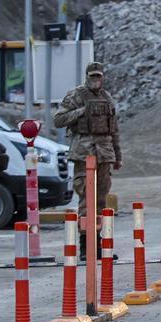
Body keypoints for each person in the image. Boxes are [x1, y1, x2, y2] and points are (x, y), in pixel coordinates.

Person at [54, 62, 121, 259]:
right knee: (86, 200)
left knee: (100, 199)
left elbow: (114, 129)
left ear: (103, 77)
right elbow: (58, 119)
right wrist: (81, 111)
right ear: (86, 77)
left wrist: (118, 156)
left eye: (98, 76)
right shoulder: (76, 95)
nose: (95, 80)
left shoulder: (107, 98)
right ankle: (86, 247)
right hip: (84, 153)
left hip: (105, 153)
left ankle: (98, 246)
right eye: (92, 76)